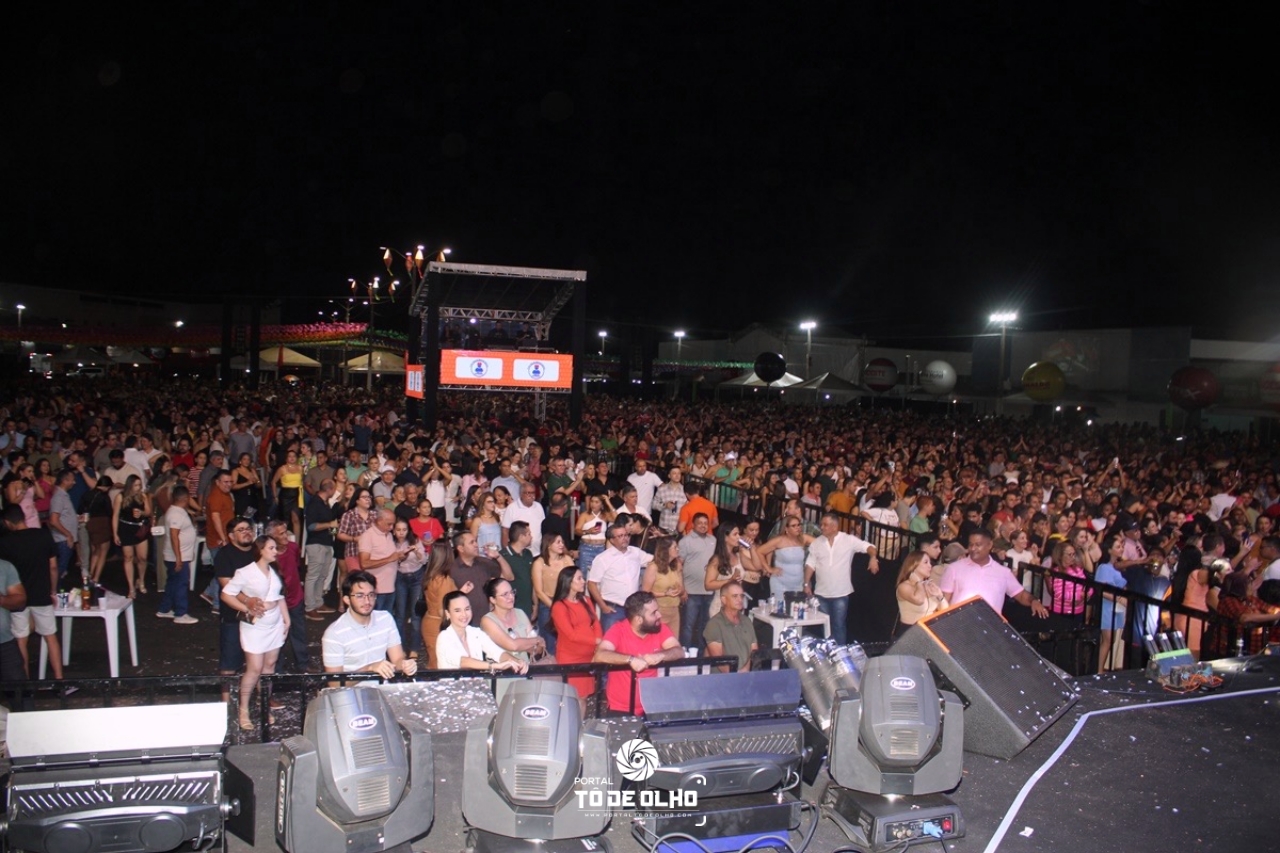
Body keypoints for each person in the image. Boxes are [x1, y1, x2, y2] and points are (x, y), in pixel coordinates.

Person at [220, 534, 289, 730]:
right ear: (260, 550)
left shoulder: (274, 570)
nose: (275, 551)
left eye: (275, 548)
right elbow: (226, 595)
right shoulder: (245, 572)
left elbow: (279, 596)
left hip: (275, 623)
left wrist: (287, 619)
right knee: (254, 668)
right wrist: (246, 609)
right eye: (271, 548)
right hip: (255, 626)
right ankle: (243, 709)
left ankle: (264, 704)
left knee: (269, 666)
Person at [593, 590, 683, 716]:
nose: (659, 615)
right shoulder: (618, 629)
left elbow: (678, 651)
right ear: (639, 619)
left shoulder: (660, 628)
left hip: (651, 705)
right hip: (620, 707)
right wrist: (631, 660)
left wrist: (661, 655)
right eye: (653, 613)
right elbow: (599, 655)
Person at [0, 505, 63, 681]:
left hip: (17, 598)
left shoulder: (5, 542)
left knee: (21, 639)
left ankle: (25, 682)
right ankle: (59, 680)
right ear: (23, 517)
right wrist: (52, 590)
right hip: (41, 594)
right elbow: (53, 567)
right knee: (50, 636)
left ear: (7, 522)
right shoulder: (43, 535)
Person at [322, 571, 418, 677]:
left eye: (371, 595)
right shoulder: (334, 633)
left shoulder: (385, 619)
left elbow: (397, 659)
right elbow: (334, 682)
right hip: (351, 687)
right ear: (347, 600)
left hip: (381, 685)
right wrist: (369, 669)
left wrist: (405, 665)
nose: (367, 601)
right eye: (360, 596)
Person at [804, 512, 879, 644]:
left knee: (838, 626)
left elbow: (869, 547)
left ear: (834, 527)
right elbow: (810, 564)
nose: (822, 527)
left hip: (841, 594)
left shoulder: (848, 540)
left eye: (825, 525)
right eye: (821, 524)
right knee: (825, 627)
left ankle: (839, 652)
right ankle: (827, 652)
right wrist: (806, 583)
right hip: (821, 593)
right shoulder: (817, 543)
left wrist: (873, 558)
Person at [939, 528, 1049, 619]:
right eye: (970, 544)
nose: (973, 548)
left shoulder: (1003, 572)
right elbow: (943, 602)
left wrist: (1034, 601)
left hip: (991, 629)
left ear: (990, 545)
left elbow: (1020, 594)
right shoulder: (954, 569)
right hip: (960, 626)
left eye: (978, 544)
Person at [435, 589, 527, 674]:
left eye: (467, 609)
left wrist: (517, 661)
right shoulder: (444, 637)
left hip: (477, 685)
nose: (464, 614)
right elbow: (463, 661)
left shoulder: (475, 632)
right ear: (448, 613)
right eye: (457, 611)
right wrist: (494, 666)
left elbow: (497, 652)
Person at [549, 566, 600, 715]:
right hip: (570, 658)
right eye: (579, 578)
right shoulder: (559, 606)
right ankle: (569, 726)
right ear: (568, 582)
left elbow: (595, 623)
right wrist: (595, 641)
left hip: (588, 657)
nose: (583, 581)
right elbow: (570, 635)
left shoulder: (586, 600)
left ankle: (579, 726)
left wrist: (599, 643)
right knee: (571, 698)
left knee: (583, 697)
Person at [588, 521, 654, 633]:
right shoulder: (603, 558)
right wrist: (603, 606)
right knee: (610, 641)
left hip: (633, 608)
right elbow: (591, 584)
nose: (625, 538)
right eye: (620, 536)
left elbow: (655, 561)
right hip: (613, 609)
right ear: (612, 540)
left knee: (632, 639)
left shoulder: (635, 552)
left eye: (626, 535)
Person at [421, 541, 472, 668]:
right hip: (438, 625)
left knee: (435, 662)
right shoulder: (443, 580)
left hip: (429, 621)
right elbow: (441, 610)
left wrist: (460, 592)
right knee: (439, 665)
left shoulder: (431, 575)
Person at [480, 577, 549, 666]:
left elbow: (537, 649)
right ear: (493, 599)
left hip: (525, 670)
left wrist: (526, 643)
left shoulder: (520, 613)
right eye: (505, 594)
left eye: (512, 592)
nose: (511, 597)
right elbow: (513, 645)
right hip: (502, 671)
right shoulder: (487, 620)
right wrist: (536, 640)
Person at [156, 486, 199, 624]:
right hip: (177, 556)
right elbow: (174, 536)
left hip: (177, 555)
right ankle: (181, 613)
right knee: (181, 583)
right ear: (186, 498)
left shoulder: (177, 511)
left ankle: (164, 609)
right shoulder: (176, 514)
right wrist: (178, 558)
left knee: (173, 583)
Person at [451, 531, 510, 624]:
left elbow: (509, 577)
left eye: (475, 541)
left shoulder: (484, 563)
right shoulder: (452, 570)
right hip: (466, 623)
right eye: (471, 542)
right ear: (461, 548)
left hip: (490, 620)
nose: (476, 545)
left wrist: (498, 556)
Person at [531, 532, 575, 656]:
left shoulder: (567, 559)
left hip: (567, 602)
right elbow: (539, 591)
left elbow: (575, 580)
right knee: (550, 640)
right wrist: (555, 607)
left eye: (562, 542)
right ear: (549, 545)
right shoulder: (539, 563)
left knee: (567, 638)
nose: (562, 545)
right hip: (547, 604)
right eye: (558, 542)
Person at [390, 518, 427, 659]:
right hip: (400, 577)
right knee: (400, 615)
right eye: (398, 530)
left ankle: (414, 648)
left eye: (404, 530)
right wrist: (400, 556)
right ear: (394, 531)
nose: (401, 533)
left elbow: (424, 560)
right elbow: (391, 561)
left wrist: (417, 552)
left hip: (416, 577)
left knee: (415, 614)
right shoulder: (390, 542)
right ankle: (400, 648)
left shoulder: (415, 540)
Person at [678, 512, 716, 648]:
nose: (703, 526)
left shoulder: (713, 540)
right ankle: (685, 653)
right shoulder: (685, 541)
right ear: (693, 524)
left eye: (706, 523)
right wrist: (682, 589)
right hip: (691, 592)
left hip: (709, 591)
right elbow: (678, 565)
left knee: (705, 625)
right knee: (688, 626)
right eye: (700, 523)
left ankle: (701, 654)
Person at [111, 474, 153, 598]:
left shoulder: (142, 496)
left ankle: (141, 580)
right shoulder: (120, 497)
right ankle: (131, 588)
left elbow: (148, 512)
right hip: (125, 528)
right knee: (128, 557)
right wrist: (115, 533)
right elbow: (115, 516)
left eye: (139, 485)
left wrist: (142, 513)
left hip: (140, 528)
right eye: (135, 485)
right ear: (130, 486)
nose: (138, 487)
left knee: (142, 557)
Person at [335, 487, 376, 613]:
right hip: (353, 552)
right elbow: (340, 534)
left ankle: (367, 608)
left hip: (371, 554)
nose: (368, 500)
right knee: (356, 582)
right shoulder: (349, 515)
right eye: (364, 497)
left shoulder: (375, 515)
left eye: (369, 497)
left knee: (368, 582)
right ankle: (351, 607)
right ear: (357, 500)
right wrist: (355, 539)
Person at [303, 479, 339, 619]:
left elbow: (330, 525)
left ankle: (318, 602)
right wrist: (330, 524)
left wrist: (333, 529)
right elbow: (311, 526)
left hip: (326, 542)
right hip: (315, 544)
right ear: (329, 489)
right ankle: (309, 607)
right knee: (313, 576)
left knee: (322, 575)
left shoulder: (325, 504)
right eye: (334, 489)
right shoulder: (314, 503)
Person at [703, 580, 757, 671]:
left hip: (746, 675)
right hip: (724, 678)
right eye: (735, 596)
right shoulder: (714, 624)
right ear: (724, 599)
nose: (740, 600)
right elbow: (720, 662)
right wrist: (738, 675)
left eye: (741, 596)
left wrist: (745, 672)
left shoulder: (747, 621)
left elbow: (754, 652)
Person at [1093, 534, 1128, 672]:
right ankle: (1099, 670)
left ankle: (1100, 669)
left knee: (1110, 640)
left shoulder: (1118, 567)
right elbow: (1100, 590)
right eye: (1117, 547)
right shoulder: (1104, 568)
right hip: (1107, 607)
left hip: (1116, 607)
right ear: (1109, 550)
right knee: (1107, 640)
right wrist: (1119, 599)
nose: (1121, 549)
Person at [756, 515, 813, 597]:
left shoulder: (803, 538)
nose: (797, 527)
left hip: (798, 583)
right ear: (786, 528)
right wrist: (769, 568)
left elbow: (820, 544)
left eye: (798, 525)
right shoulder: (779, 540)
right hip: (780, 583)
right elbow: (759, 551)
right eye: (793, 526)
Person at [895, 550, 947, 637]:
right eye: (926, 562)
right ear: (913, 565)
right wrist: (918, 583)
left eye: (930, 562)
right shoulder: (904, 586)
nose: (930, 566)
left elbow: (945, 611)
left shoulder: (929, 585)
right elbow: (919, 600)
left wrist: (940, 596)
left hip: (928, 631)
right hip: (909, 632)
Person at [358, 508, 401, 611]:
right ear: (380, 520)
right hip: (376, 590)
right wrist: (389, 559)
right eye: (389, 524)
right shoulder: (368, 536)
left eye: (393, 524)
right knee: (375, 618)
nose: (391, 527)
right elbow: (364, 563)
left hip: (390, 587)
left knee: (386, 618)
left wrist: (399, 557)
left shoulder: (389, 535)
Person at [641, 537, 683, 637]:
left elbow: (681, 586)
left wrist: (679, 590)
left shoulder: (676, 565)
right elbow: (645, 592)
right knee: (658, 640)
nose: (678, 549)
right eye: (675, 547)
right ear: (666, 550)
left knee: (673, 641)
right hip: (658, 611)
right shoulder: (653, 567)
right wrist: (665, 594)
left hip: (674, 610)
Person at [0, 557, 27, 683]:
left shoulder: (5, 567)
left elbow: (20, 600)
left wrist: (2, 600)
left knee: (18, 689)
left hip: (5, 642)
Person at [271, 449, 305, 541]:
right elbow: (273, 482)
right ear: (286, 458)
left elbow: (302, 481)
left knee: (296, 519)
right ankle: (284, 541)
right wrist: (275, 496)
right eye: (290, 456)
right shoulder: (282, 469)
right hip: (286, 495)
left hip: (297, 495)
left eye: (294, 456)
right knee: (285, 520)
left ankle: (297, 543)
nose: (292, 458)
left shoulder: (300, 468)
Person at [575, 493, 612, 574]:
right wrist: (588, 531)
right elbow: (577, 530)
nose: (593, 504)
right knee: (584, 573)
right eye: (592, 501)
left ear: (601, 504)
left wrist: (608, 503)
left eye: (596, 502)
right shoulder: (584, 515)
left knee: (599, 573)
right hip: (586, 548)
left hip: (601, 548)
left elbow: (617, 519)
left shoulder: (605, 515)